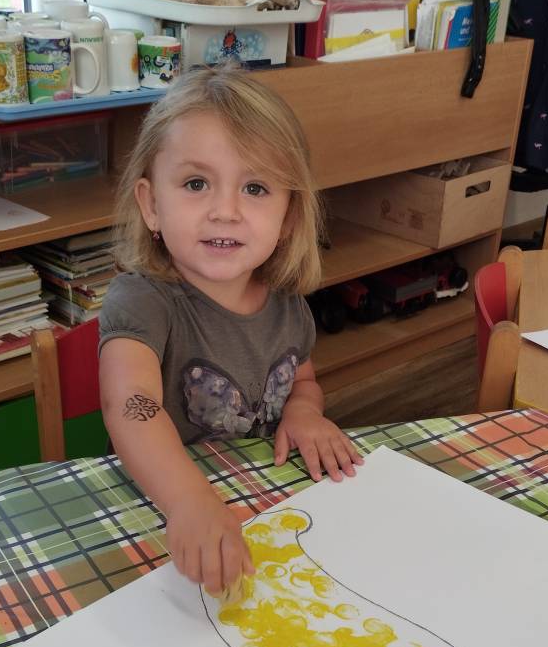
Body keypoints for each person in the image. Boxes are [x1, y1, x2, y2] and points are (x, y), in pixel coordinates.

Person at [99, 65, 363, 596]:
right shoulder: (142, 300)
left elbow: (303, 381)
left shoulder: (288, 304)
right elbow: (130, 405)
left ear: (289, 217)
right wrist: (187, 500)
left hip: (259, 509)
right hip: (161, 516)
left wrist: (304, 412)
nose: (225, 211)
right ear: (151, 205)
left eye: (255, 187)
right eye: (196, 184)